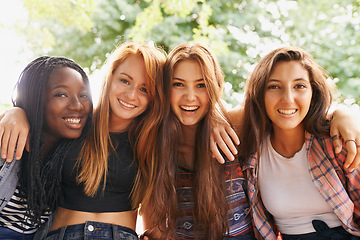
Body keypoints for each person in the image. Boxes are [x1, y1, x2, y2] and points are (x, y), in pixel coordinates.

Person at [35, 42, 166, 240]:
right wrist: (15, 113)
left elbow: (153, 222)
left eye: (144, 89)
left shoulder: (152, 142)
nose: (131, 95)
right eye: (125, 81)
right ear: (110, 77)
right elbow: (34, 119)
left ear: (154, 97)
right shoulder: (74, 121)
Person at [239, 46, 360, 239]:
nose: (288, 99)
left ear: (313, 92)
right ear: (260, 93)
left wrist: (345, 113)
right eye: (274, 86)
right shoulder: (252, 152)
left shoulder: (337, 142)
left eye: (299, 86)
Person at [141, 42, 254, 240]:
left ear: (214, 87)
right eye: (178, 84)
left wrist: (217, 111)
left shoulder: (234, 126)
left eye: (201, 85)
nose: (190, 97)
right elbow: (154, 229)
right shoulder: (155, 145)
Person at [0, 56, 92, 239]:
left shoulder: (79, 155)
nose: (77, 105)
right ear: (34, 99)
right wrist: (15, 111)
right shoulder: (8, 140)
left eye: (83, 95)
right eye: (61, 94)